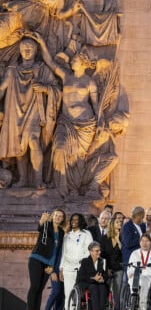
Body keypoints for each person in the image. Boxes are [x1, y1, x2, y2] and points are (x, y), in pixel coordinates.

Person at [28, 32, 100, 197]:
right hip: (66, 122)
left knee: (78, 159)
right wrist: (41, 43)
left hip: (85, 125)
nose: (72, 61)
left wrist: (101, 123)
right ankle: (61, 189)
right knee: (59, 149)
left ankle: (74, 190)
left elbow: (96, 105)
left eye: (75, 59)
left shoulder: (90, 82)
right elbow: (51, 62)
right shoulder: (66, 76)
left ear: (83, 63)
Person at [0, 37, 60, 188]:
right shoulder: (12, 70)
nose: (27, 51)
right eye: (24, 48)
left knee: (33, 141)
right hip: (14, 111)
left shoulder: (42, 69)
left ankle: (38, 180)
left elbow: (57, 88)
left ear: (35, 51)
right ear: (20, 51)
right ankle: (23, 179)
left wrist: (45, 89)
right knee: (19, 146)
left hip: (35, 109)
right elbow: (2, 89)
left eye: (30, 48)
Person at [27, 209, 66, 310]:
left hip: (48, 264)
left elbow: (57, 252)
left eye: (61, 216)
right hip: (36, 259)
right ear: (52, 216)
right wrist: (42, 220)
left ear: (63, 219)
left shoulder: (62, 232)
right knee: (34, 286)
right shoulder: (46, 225)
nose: (58, 217)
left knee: (40, 288)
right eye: (56, 215)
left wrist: (52, 268)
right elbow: (39, 226)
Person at [60, 212, 92, 310]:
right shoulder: (67, 235)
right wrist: (61, 268)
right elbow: (64, 253)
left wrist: (82, 260)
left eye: (76, 219)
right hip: (68, 268)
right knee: (68, 293)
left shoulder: (86, 234)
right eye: (72, 219)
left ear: (81, 221)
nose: (73, 221)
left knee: (78, 293)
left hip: (80, 267)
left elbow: (90, 250)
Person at [76, 241, 109, 310]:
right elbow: (81, 277)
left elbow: (106, 276)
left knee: (103, 287)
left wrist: (102, 279)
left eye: (100, 250)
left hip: (100, 283)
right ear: (91, 252)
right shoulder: (85, 261)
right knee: (93, 287)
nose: (99, 252)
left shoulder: (102, 261)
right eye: (97, 251)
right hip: (87, 283)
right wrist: (93, 278)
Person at [101, 213, 123, 310]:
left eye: (120, 222)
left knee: (117, 291)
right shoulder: (105, 238)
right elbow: (103, 254)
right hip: (108, 267)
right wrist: (107, 269)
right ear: (112, 224)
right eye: (117, 222)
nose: (119, 224)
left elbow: (123, 252)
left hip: (119, 268)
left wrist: (118, 239)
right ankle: (104, 309)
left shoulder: (122, 238)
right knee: (106, 289)